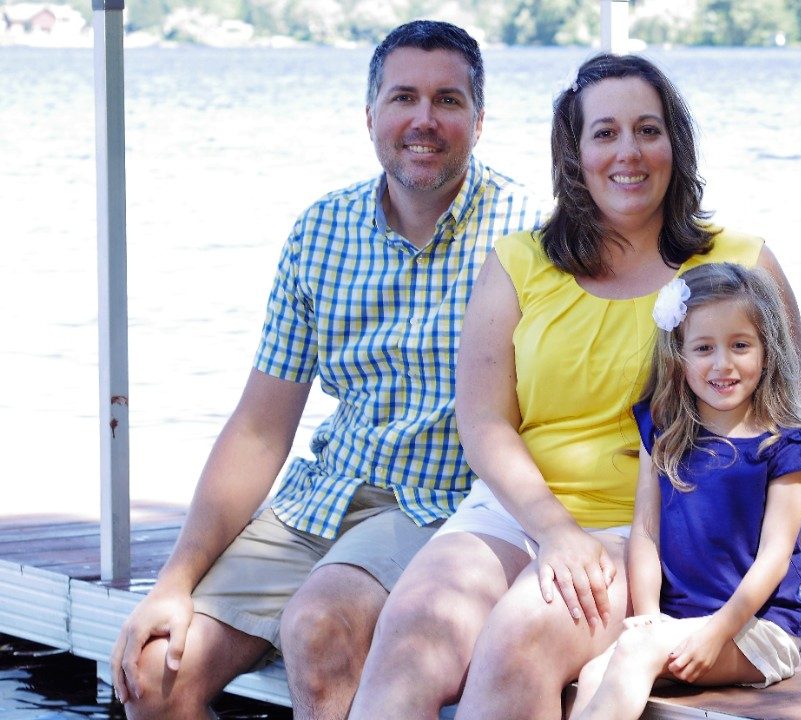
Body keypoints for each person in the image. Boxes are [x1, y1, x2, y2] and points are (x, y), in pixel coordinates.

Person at [349, 53, 801, 720]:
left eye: (648, 130)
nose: (629, 152)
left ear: (675, 144)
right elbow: (484, 424)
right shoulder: (517, 263)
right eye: (605, 133)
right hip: (516, 512)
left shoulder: (742, 266)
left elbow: (793, 444)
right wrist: (554, 530)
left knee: (518, 641)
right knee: (412, 628)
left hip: (649, 531)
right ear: (576, 152)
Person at [108, 20, 541, 719]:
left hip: (437, 504)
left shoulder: (529, 235)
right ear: (370, 115)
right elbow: (259, 427)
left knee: (320, 625)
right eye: (403, 98)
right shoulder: (321, 230)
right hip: (322, 496)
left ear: (479, 119)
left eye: (448, 100)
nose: (423, 120)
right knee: (154, 676)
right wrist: (173, 582)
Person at [570, 262, 801, 719]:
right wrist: (650, 615)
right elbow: (646, 531)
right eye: (704, 348)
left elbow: (775, 556)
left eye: (740, 346)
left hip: (757, 630)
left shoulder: (788, 445)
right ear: (679, 355)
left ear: (767, 351)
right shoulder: (666, 430)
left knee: (631, 654)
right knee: (596, 670)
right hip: (674, 624)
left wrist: (716, 633)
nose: (722, 364)